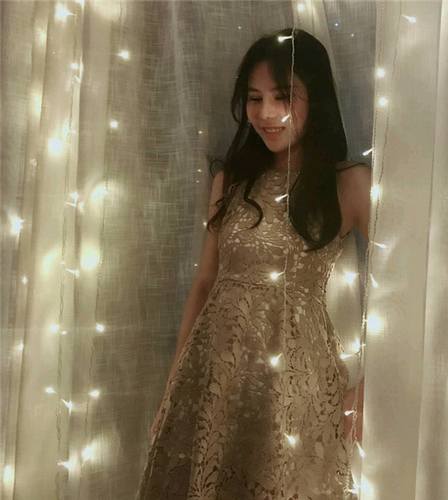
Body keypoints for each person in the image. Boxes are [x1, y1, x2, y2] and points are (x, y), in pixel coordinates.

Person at [136, 26, 371, 500]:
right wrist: (174, 384)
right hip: (214, 374)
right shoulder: (232, 180)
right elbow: (205, 283)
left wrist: (369, 388)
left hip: (295, 381)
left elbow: (403, 286)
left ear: (315, 99)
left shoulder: (348, 184)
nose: (265, 113)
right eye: (254, 98)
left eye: (283, 97)